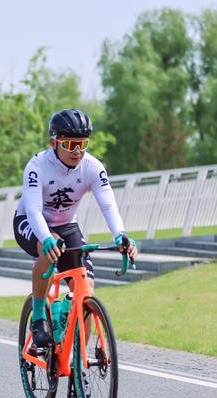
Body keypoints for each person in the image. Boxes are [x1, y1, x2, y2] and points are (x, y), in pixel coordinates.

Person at [13, 108, 138, 348]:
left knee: (86, 291)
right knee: (48, 247)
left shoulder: (92, 167)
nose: (77, 151)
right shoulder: (37, 166)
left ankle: (77, 360)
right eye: (70, 144)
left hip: (68, 225)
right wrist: (46, 237)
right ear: (54, 143)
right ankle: (39, 316)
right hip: (31, 222)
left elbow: (108, 204)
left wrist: (121, 235)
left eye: (83, 144)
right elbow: (33, 210)